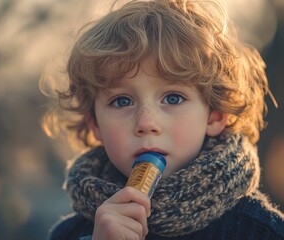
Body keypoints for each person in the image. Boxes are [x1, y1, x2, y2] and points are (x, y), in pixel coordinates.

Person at [43, 0, 284, 239]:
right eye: (122, 101)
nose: (146, 123)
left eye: (173, 98)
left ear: (215, 115)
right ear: (95, 124)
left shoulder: (259, 231)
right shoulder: (70, 234)